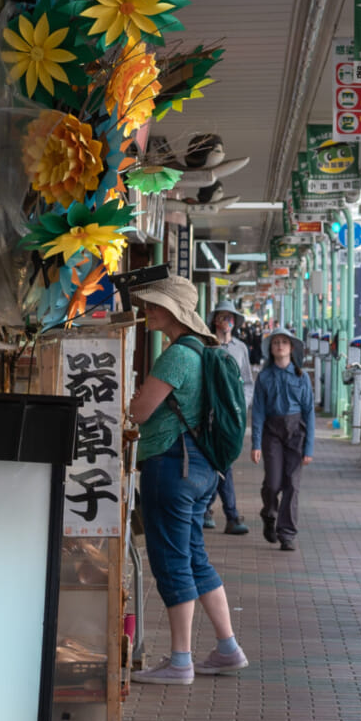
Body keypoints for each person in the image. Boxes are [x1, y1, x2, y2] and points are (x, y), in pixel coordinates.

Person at [126, 275, 247, 684]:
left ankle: (180, 661)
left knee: (172, 561)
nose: (148, 310)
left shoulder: (177, 355)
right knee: (194, 557)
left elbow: (140, 411)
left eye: (154, 305)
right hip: (201, 469)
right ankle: (227, 648)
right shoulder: (203, 349)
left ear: (173, 311)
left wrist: (133, 398)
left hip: (171, 466)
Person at [251, 327, 315, 551]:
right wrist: (256, 443)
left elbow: (309, 411)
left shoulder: (301, 376)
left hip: (296, 432)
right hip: (272, 433)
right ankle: (269, 514)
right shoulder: (265, 376)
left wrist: (309, 447)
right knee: (273, 483)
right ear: (270, 348)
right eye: (275, 342)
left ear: (291, 348)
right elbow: (257, 411)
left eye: (284, 342)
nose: (279, 345)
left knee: (292, 484)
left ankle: (287, 533)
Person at [206, 302, 253, 536]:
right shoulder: (207, 345)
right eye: (222, 317)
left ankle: (213, 510)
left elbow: (247, 382)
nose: (226, 322)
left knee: (224, 462)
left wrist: (240, 406)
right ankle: (228, 514)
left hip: (232, 417)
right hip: (209, 415)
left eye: (230, 317)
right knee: (220, 463)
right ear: (215, 320)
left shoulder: (240, 349)